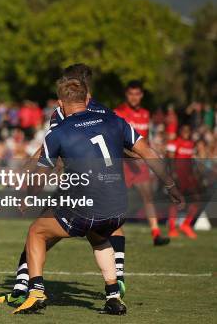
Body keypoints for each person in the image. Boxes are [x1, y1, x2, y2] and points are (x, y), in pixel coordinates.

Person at [12, 78, 183, 315]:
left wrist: (26, 196)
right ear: (87, 99)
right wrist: (170, 184)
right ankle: (113, 296)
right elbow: (146, 151)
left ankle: (36, 292)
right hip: (118, 207)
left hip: (83, 207)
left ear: (61, 104)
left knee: (36, 232)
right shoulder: (114, 120)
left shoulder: (58, 132)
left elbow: (40, 177)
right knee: (99, 236)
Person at [0, 64, 127, 306]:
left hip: (78, 191)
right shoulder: (105, 113)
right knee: (102, 234)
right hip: (109, 192)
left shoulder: (65, 113)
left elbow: (52, 152)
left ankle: (27, 287)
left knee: (39, 232)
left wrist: (28, 188)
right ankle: (114, 287)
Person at [115, 81, 170, 246]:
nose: (134, 97)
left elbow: (145, 140)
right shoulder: (118, 112)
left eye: (137, 94)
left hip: (140, 164)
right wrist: (132, 156)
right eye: (131, 94)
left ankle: (156, 234)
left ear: (141, 95)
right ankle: (106, 231)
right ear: (126, 94)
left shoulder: (146, 114)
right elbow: (115, 140)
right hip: (123, 163)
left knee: (148, 197)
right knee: (115, 200)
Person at [167, 124, 200, 239]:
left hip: (188, 177)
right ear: (180, 131)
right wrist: (173, 174)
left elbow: (192, 161)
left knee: (196, 200)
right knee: (175, 202)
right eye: (184, 130)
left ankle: (186, 225)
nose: (186, 132)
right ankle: (172, 229)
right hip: (178, 176)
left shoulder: (191, 144)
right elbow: (170, 160)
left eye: (188, 130)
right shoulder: (174, 143)